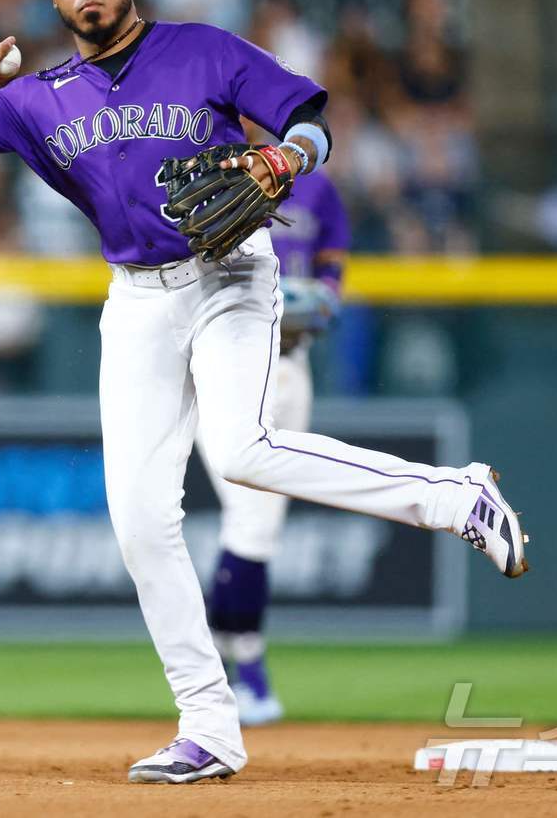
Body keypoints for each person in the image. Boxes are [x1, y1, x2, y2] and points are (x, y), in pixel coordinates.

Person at [0, 0, 528, 785]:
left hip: (230, 276)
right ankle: (209, 727)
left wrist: (289, 160)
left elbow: (312, 119)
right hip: (137, 302)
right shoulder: (36, 98)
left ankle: (454, 497)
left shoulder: (202, 49)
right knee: (140, 522)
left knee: (241, 450)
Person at [203, 162, 348, 728]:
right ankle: (249, 676)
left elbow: (334, 260)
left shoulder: (317, 184)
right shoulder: (210, 165)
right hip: (225, 367)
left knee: (258, 525)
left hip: (292, 364)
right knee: (250, 521)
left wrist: (323, 294)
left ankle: (220, 668)